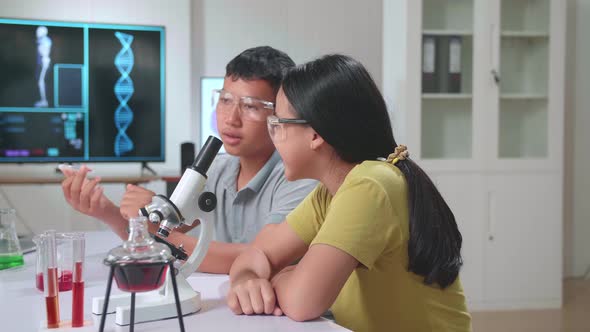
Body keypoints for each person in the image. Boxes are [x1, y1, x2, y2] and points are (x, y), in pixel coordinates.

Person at [226, 54, 472, 332]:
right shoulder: (328, 194)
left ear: (315, 135)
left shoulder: (371, 185)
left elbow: (302, 302)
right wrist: (247, 279)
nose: (274, 138)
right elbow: (258, 252)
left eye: (278, 125)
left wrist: (278, 279)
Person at [61, 46, 316, 274]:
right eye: (225, 100)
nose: (230, 119)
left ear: (280, 113)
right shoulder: (215, 168)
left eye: (250, 106)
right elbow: (159, 237)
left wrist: (157, 225)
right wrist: (107, 211)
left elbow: (258, 257)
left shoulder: (300, 178)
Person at [35, 26, 52, 107]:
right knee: (41, 81)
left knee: (41, 81)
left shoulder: (45, 41)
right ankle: (43, 100)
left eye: (39, 31)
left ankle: (44, 101)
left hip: (45, 62)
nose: (37, 33)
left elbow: (44, 52)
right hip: (43, 62)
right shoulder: (42, 41)